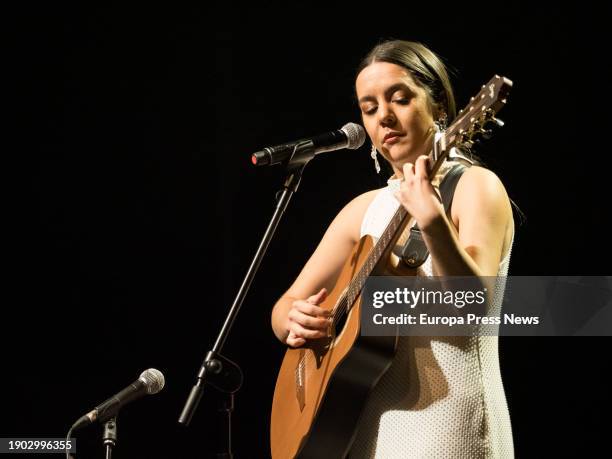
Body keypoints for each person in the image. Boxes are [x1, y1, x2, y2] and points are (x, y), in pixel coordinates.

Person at [270, 40, 515, 458]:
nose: (384, 116)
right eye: (369, 108)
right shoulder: (362, 210)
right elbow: (284, 307)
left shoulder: (475, 186)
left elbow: (477, 306)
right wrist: (293, 318)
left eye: (399, 99)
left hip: (450, 424)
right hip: (363, 426)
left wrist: (433, 222)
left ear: (439, 107)